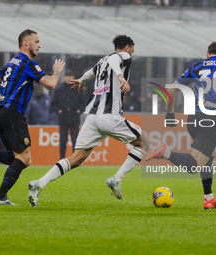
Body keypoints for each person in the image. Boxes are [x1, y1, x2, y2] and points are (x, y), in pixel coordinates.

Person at [28, 35, 150, 207]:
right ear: (127, 47)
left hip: (92, 118)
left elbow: (90, 72)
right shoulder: (121, 56)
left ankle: (39, 183)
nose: (132, 52)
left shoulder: (102, 61)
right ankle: (117, 179)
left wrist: (81, 80)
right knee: (144, 143)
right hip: (110, 116)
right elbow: (116, 60)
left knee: (76, 158)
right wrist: (121, 77)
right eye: (132, 49)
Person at [145, 41, 216, 210]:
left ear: (207, 55)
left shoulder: (197, 67)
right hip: (212, 120)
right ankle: (165, 152)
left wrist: (170, 113)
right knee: (194, 165)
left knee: (209, 156)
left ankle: (209, 198)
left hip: (194, 119)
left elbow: (171, 90)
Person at [0, 29, 65, 205]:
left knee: (16, 157)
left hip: (3, 114)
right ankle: (0, 197)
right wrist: (56, 72)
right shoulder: (28, 64)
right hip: (14, 114)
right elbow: (51, 84)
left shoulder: (11, 63)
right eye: (36, 41)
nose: (39, 45)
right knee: (25, 159)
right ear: (26, 43)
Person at [51, 71, 86, 158]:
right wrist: (58, 111)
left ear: (73, 77)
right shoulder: (59, 89)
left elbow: (84, 103)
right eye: (67, 76)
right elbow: (53, 104)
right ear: (64, 77)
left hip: (75, 118)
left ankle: (75, 159)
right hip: (63, 119)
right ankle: (62, 159)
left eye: (70, 76)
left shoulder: (78, 87)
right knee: (63, 141)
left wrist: (79, 110)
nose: (69, 78)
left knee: (75, 141)